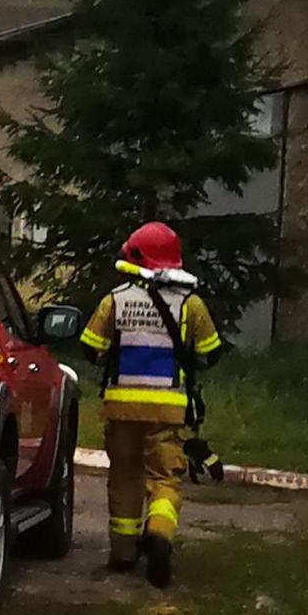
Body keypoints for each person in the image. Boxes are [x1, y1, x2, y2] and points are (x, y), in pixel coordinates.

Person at [79, 221, 224, 589]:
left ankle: (123, 555)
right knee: (164, 478)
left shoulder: (115, 300)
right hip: (167, 411)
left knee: (125, 476)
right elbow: (211, 353)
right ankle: (159, 534)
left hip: (121, 409)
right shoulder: (191, 304)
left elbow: (91, 348)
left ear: (134, 256)